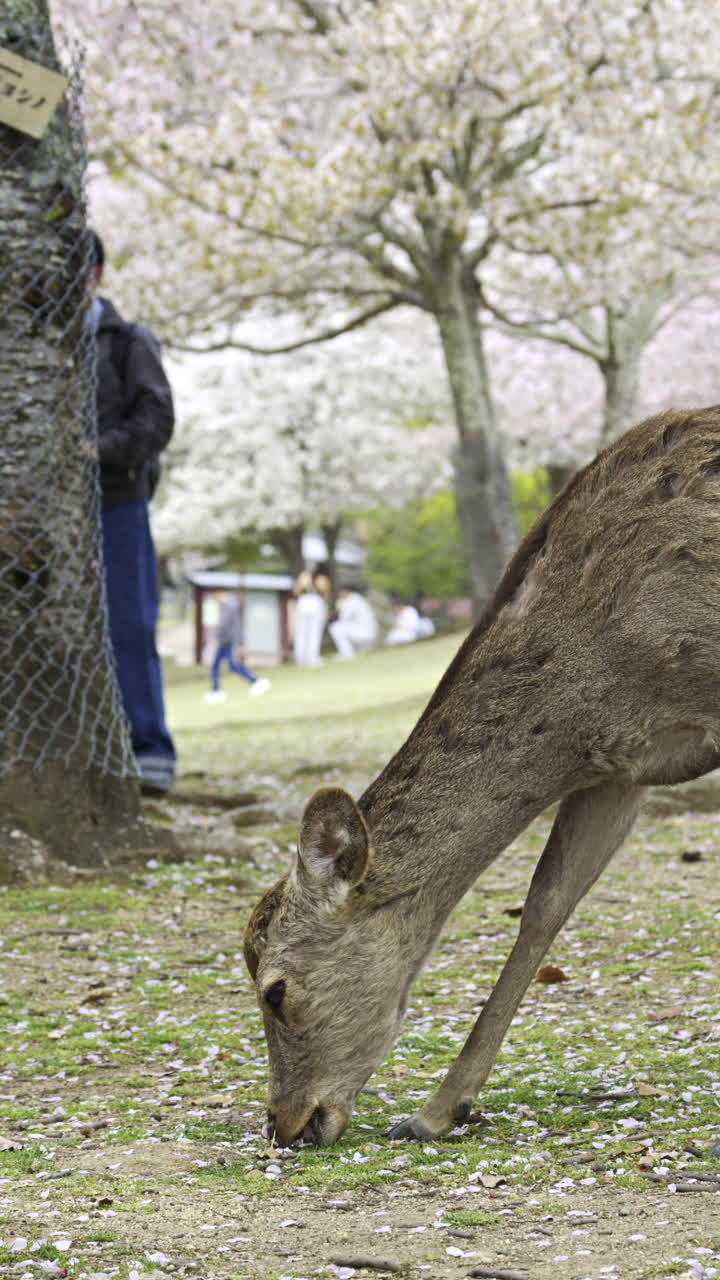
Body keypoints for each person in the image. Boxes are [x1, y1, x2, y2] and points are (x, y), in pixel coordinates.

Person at [88, 231, 176, 795]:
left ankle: (150, 751)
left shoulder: (126, 341)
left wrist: (99, 449)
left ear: (94, 274)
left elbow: (157, 421)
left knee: (129, 623)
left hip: (118, 501)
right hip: (43, 517)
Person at [204, 591, 270, 701]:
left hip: (227, 642)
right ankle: (216, 690)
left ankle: (255, 681)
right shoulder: (229, 605)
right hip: (226, 641)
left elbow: (225, 625)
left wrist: (218, 640)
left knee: (232, 665)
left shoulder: (229, 606)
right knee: (218, 665)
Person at [329, 585, 378, 659]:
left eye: (342, 592)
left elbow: (344, 618)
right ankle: (357, 652)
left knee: (335, 627)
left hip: (365, 632)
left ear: (348, 591)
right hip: (368, 631)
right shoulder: (358, 599)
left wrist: (339, 609)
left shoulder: (353, 600)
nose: (341, 594)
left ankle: (347, 653)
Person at [293, 568, 329, 667]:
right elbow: (325, 592)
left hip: (302, 602)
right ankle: (312, 658)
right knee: (314, 633)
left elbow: (296, 591)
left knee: (301, 633)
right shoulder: (321, 578)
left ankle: (300, 659)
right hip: (315, 602)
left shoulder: (303, 576)